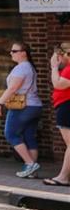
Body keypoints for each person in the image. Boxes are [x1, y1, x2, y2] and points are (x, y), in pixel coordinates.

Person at [0, 42, 43, 178]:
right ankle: (32, 170)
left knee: (11, 134)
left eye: (14, 51)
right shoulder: (29, 67)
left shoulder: (21, 68)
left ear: (23, 53)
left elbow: (13, 88)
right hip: (35, 106)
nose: (11, 53)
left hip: (22, 107)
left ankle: (30, 163)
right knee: (29, 137)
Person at [43, 43, 70, 187]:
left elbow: (58, 84)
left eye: (57, 55)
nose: (55, 58)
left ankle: (63, 177)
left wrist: (54, 67)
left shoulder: (68, 69)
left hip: (66, 106)